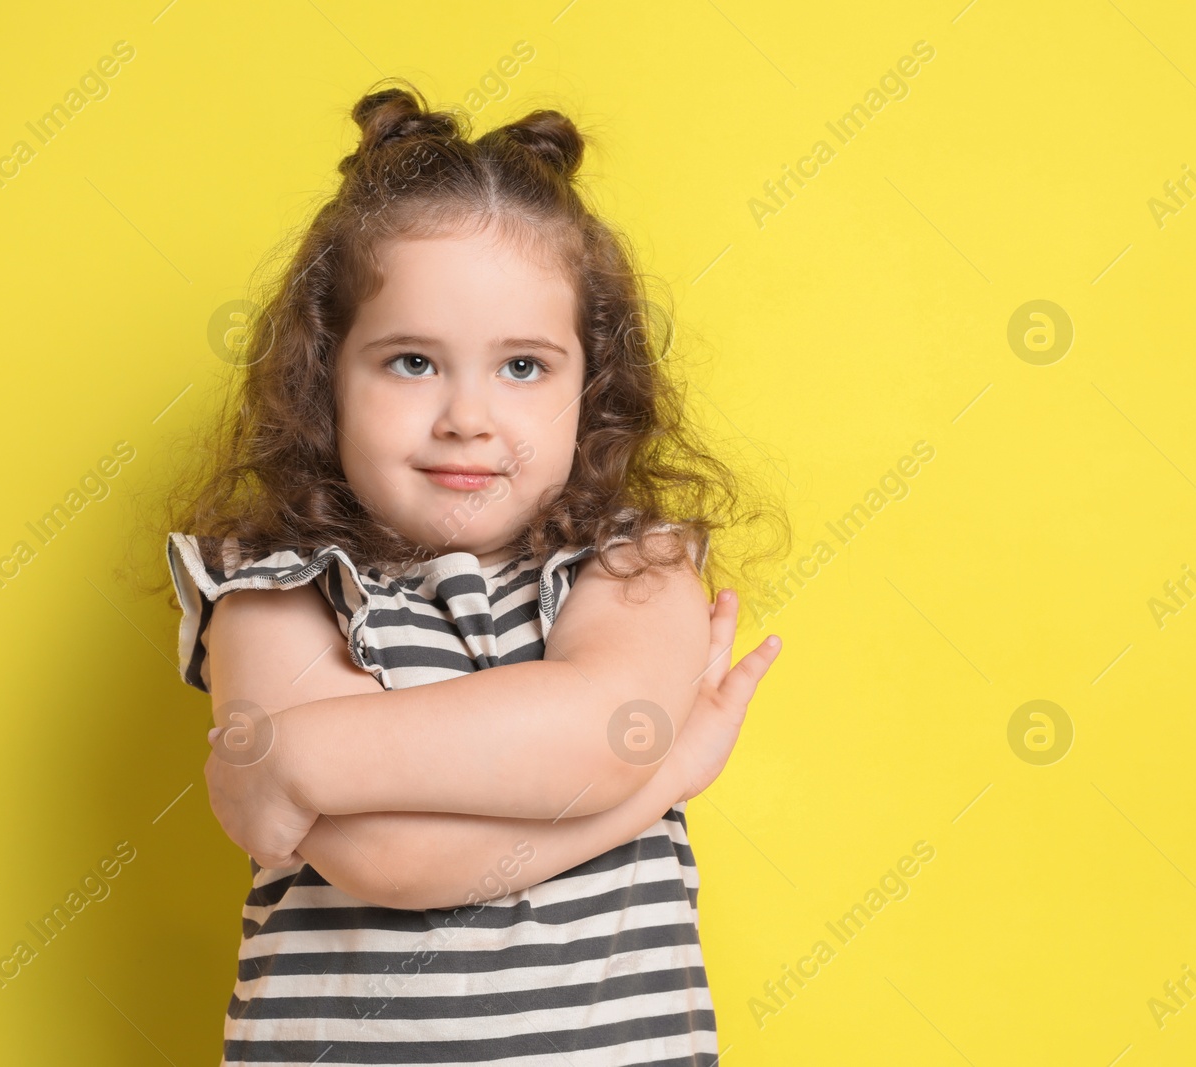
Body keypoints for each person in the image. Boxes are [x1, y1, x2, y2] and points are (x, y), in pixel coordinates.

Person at [162, 79, 783, 1066]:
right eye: (411, 362)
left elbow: (601, 733)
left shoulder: (633, 559)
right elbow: (381, 858)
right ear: (326, 375)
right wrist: (663, 774)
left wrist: (296, 753)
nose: (467, 416)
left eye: (524, 367)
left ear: (593, 382)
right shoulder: (268, 583)